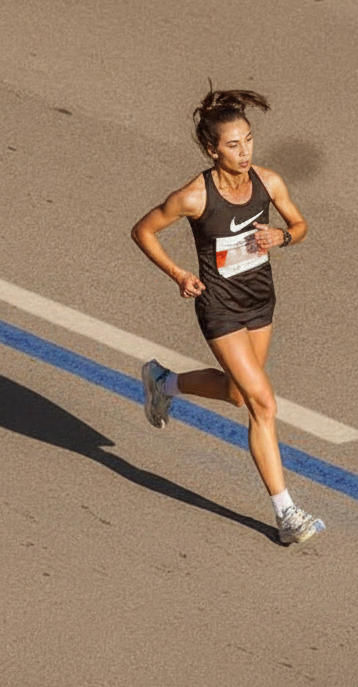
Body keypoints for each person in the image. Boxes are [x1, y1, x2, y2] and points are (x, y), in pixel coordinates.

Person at [130, 87, 325, 545]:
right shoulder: (195, 196)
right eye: (233, 145)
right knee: (264, 403)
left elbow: (300, 226)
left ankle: (164, 383)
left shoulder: (268, 182)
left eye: (249, 140)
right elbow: (143, 230)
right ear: (211, 148)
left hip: (260, 300)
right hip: (219, 307)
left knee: (239, 395)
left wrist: (283, 237)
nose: (244, 152)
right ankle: (287, 515)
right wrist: (178, 273)